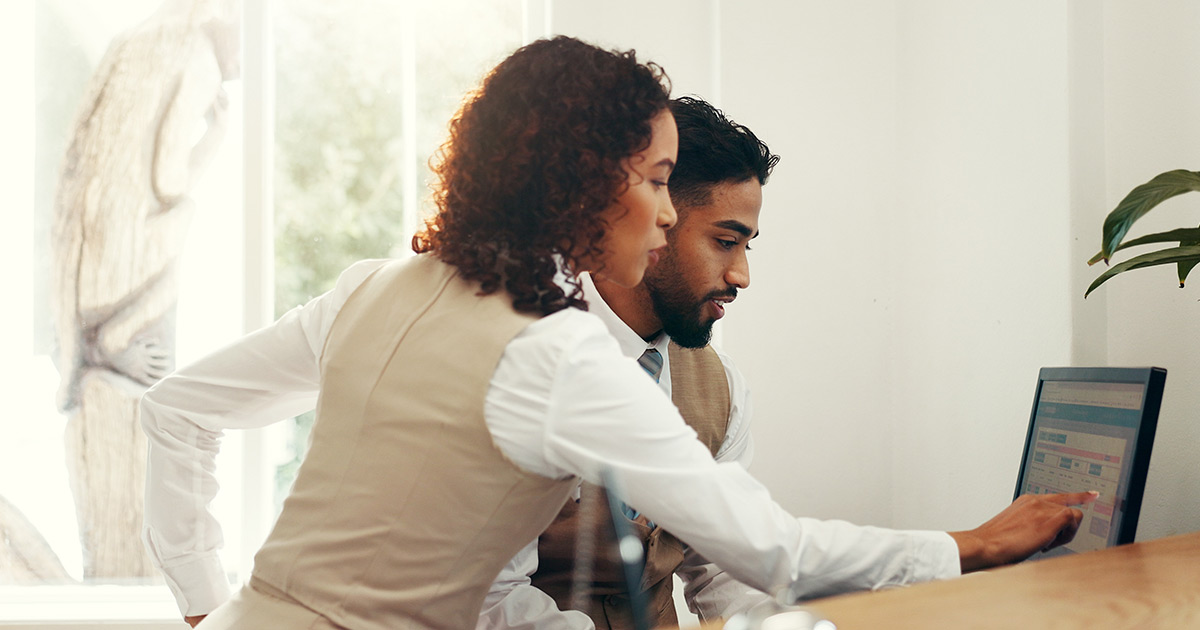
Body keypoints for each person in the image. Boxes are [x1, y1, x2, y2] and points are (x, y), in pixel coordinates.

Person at [142, 37, 1093, 630]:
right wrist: (971, 543)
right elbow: (775, 550)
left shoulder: (373, 287)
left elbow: (175, 410)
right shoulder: (553, 356)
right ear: (586, 182)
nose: (666, 215)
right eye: (653, 181)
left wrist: (201, 599)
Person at [476, 97, 1099, 629]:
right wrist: (974, 546)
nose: (741, 275)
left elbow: (730, 562)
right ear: (652, 223)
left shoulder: (721, 389)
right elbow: (489, 603)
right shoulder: (522, 359)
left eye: (747, 245)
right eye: (725, 241)